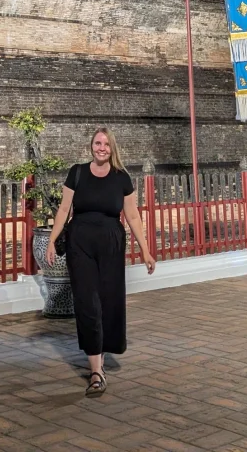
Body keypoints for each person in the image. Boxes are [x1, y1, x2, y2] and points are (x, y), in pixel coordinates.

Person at [46, 127, 155, 397]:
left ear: (112, 148)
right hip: (79, 244)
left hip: (111, 245)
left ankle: (102, 354)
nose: (101, 148)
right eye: (97, 143)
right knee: (87, 302)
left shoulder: (122, 178)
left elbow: (133, 216)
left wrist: (145, 249)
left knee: (108, 302)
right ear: (91, 146)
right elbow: (63, 209)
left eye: (106, 144)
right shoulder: (77, 172)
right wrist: (51, 240)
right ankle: (96, 370)